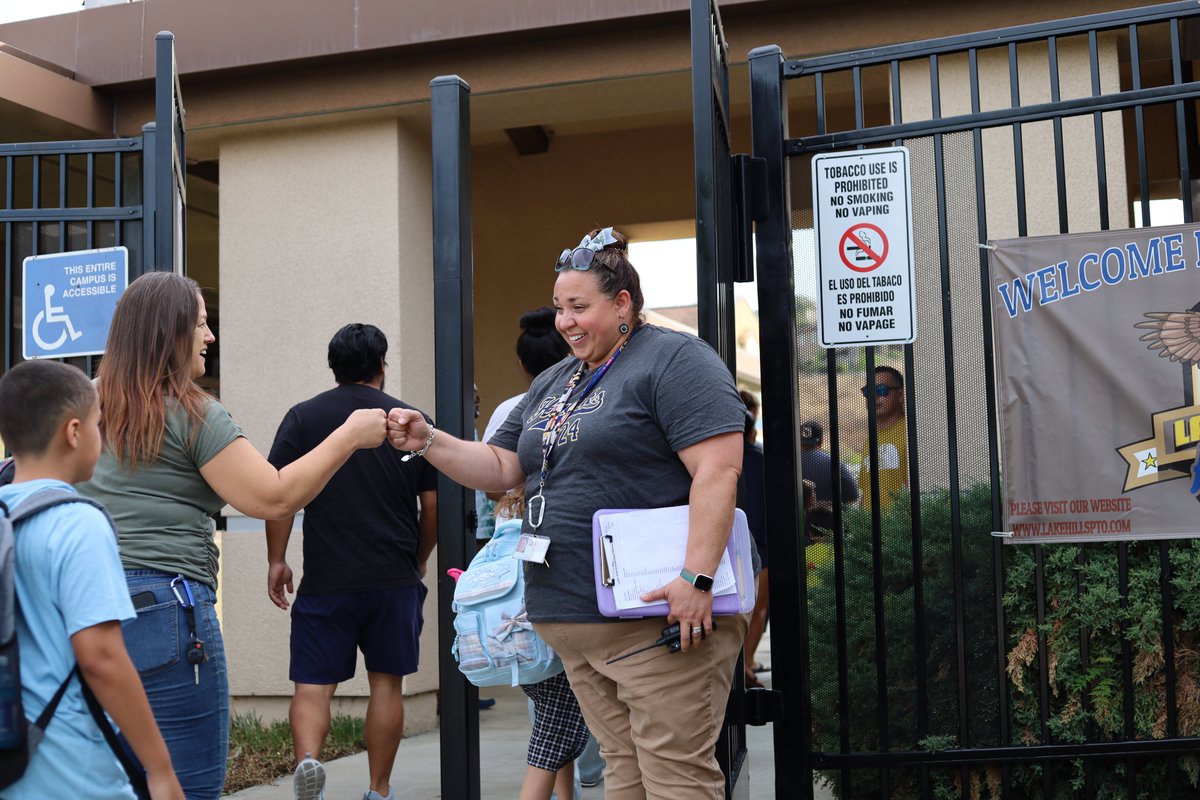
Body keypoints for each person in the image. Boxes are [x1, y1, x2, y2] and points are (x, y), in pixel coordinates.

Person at [386, 227, 748, 797]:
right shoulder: (557, 379)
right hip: (577, 627)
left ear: (623, 303)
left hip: (654, 624)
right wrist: (428, 439)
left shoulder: (677, 360)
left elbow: (718, 470)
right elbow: (502, 465)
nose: (564, 322)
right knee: (622, 767)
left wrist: (696, 577)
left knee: (676, 777)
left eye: (579, 307)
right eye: (559, 308)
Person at [77, 272, 388, 799]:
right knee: (188, 783)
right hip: (166, 614)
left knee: (112, 782)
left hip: (88, 610)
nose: (210, 336)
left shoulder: (84, 406)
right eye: (201, 323)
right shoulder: (194, 413)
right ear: (169, 333)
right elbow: (273, 496)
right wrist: (351, 435)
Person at [264, 323, 437, 800]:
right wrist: (418, 560)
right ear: (382, 365)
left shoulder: (303, 417)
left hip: (326, 579)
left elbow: (280, 495)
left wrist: (276, 559)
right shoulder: (410, 421)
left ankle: (308, 766)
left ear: (334, 368)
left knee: (313, 686)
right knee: (387, 684)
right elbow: (434, 506)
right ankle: (378, 791)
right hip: (392, 577)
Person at [0, 360, 183, 800]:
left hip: (10, 756)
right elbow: (101, 656)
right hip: (69, 770)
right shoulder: (77, 523)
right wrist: (159, 770)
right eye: (100, 425)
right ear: (75, 432)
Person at [481, 306, 606, 794]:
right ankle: (588, 776)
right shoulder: (584, 400)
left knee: (549, 694)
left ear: (522, 364)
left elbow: (495, 480)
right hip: (568, 566)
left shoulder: (508, 411)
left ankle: (567, 790)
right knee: (581, 690)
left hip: (520, 566)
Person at [739, 407, 769, 686]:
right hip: (761, 546)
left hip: (726, 547)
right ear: (752, 432)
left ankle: (736, 668)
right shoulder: (763, 461)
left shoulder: (708, 459)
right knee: (757, 609)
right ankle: (747, 663)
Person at [857, 366, 908, 512]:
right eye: (868, 392)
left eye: (881, 390)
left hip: (901, 526)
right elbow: (865, 491)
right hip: (871, 528)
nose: (874, 397)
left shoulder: (911, 433)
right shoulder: (870, 441)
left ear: (901, 394)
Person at [800, 421, 859, 505]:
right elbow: (852, 497)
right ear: (821, 441)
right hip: (829, 516)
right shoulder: (835, 463)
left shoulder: (791, 464)